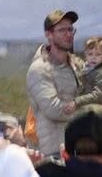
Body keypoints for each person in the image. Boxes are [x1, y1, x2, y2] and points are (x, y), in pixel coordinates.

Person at [25, 8, 93, 160]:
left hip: (78, 147)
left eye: (71, 29)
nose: (68, 34)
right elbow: (54, 109)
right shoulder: (40, 69)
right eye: (62, 30)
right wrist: (90, 113)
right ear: (48, 34)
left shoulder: (76, 63)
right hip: (52, 151)